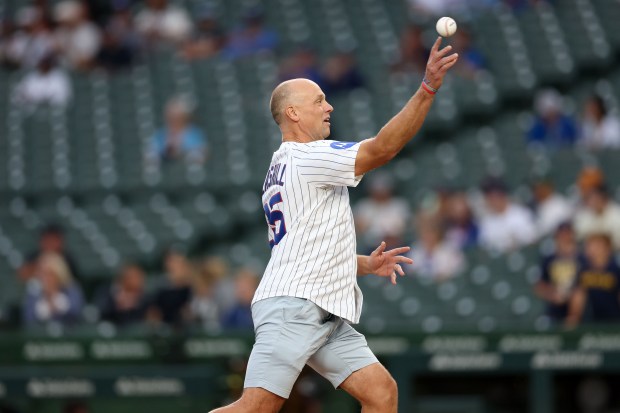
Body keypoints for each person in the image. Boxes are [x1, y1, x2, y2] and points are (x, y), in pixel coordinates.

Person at [209, 37, 458, 413]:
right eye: (319, 101)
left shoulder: (280, 167)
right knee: (255, 408)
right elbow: (382, 149)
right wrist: (426, 89)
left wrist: (365, 264)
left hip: (319, 308)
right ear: (293, 113)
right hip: (296, 307)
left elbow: (303, 247)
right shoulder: (307, 157)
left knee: (381, 392)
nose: (329, 106)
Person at [566, 234, 620, 326]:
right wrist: (573, 318)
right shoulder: (584, 271)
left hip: (614, 321)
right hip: (590, 322)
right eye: (590, 245)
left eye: (597, 246)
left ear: (607, 248)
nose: (593, 249)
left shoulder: (615, 270)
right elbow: (578, 296)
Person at [534, 223, 581, 323]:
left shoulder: (582, 258)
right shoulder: (549, 259)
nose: (564, 238)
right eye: (561, 235)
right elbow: (539, 286)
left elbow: (586, 284)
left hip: (580, 309)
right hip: (555, 308)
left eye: (567, 234)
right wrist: (553, 295)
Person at [22, 253, 84, 327]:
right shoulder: (33, 292)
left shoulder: (72, 290)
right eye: (42, 274)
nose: (46, 278)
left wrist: (54, 304)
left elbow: (76, 315)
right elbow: (28, 319)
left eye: (49, 274)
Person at [354, 172, 411, 252]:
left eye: (383, 189)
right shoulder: (364, 205)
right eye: (377, 190)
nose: (380, 193)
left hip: (395, 246)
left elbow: (406, 228)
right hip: (371, 247)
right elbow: (358, 230)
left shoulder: (399, 204)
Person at [478, 178, 537, 253]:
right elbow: (486, 247)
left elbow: (532, 240)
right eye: (490, 198)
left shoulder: (521, 214)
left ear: (503, 195)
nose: (493, 201)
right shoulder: (486, 223)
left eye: (496, 196)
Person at [148, 96, 207, 163]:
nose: (174, 119)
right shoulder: (160, 134)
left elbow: (202, 153)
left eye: (177, 116)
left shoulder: (194, 133)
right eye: (171, 115)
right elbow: (151, 153)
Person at [147, 248, 193, 327]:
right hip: (165, 328)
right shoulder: (161, 288)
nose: (172, 266)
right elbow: (154, 312)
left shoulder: (191, 288)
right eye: (170, 262)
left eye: (176, 262)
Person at [410, 217, 464, 281]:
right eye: (425, 232)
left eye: (431, 232)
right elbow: (411, 271)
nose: (428, 236)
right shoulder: (416, 248)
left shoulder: (449, 249)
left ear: (438, 233)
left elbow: (454, 273)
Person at [53, 1, 102, 70]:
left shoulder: (90, 31)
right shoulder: (60, 31)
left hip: (82, 74)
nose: (64, 23)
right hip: (62, 72)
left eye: (67, 19)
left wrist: (65, 50)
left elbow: (87, 60)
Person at [574, 185, 620, 250]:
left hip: (614, 252)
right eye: (591, 199)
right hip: (590, 252)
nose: (593, 202)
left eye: (596, 199)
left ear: (604, 199)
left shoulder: (617, 213)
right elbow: (579, 236)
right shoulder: (585, 214)